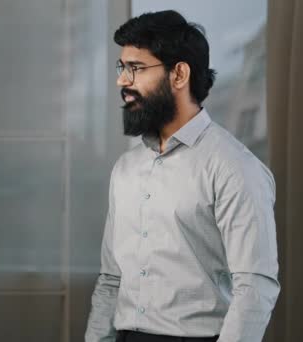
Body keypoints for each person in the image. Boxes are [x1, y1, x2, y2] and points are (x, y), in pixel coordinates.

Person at [85, 10, 279, 342]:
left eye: (136, 68)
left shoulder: (234, 167)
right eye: (122, 68)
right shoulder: (125, 169)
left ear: (179, 75)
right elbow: (111, 278)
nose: (122, 81)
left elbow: (254, 287)